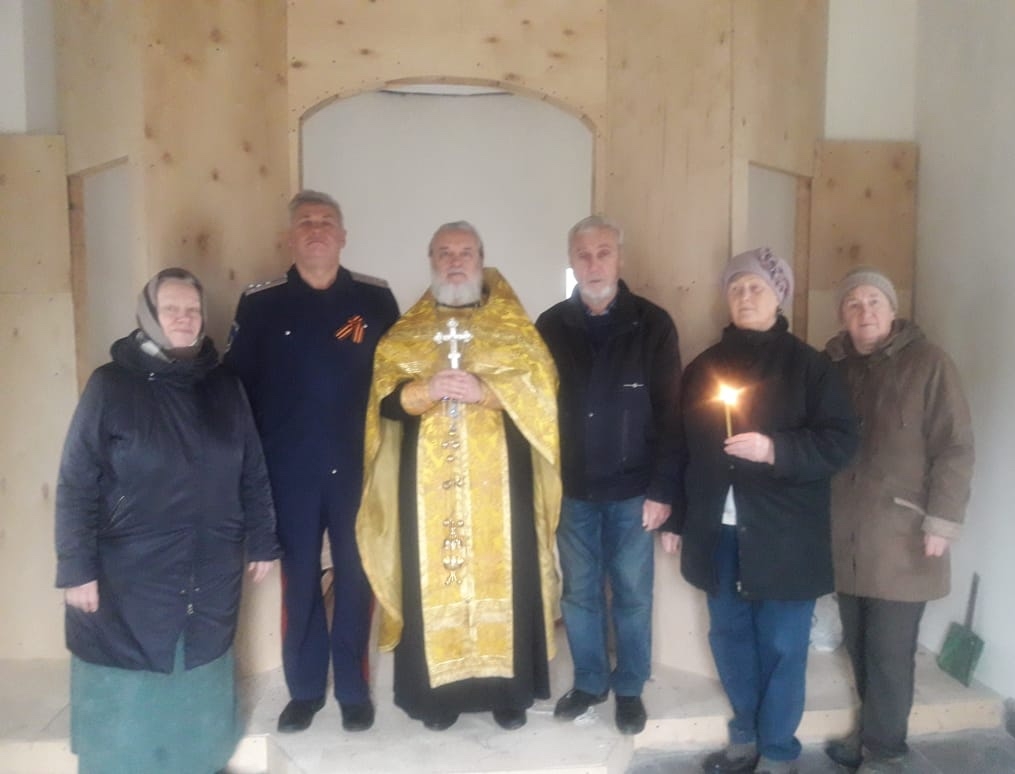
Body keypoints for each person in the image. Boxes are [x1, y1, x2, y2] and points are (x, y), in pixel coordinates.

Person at [55, 268, 280, 774]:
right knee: (128, 688)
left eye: (192, 310)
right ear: (149, 316)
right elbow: (76, 481)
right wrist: (76, 567)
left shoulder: (224, 384)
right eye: (171, 309)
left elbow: (253, 467)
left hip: (211, 561)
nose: (183, 318)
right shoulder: (111, 385)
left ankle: (199, 761)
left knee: (197, 668)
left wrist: (264, 540)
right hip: (127, 573)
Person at [356, 221, 561, 732]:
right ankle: (437, 699)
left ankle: (508, 696)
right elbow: (382, 402)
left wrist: (489, 392)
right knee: (433, 580)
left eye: (465, 252)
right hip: (427, 493)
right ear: (431, 260)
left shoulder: (515, 330)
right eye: (445, 252)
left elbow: (541, 398)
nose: (455, 261)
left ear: (481, 259)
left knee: (508, 579)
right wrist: (423, 389)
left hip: (502, 490)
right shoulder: (406, 332)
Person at [666, 248, 858, 774]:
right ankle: (745, 734)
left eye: (756, 287)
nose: (745, 297)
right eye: (736, 288)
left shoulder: (811, 366)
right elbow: (679, 448)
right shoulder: (703, 367)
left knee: (781, 643)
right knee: (728, 636)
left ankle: (777, 750)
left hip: (786, 535)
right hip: (717, 531)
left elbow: (841, 441)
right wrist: (678, 519)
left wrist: (775, 449)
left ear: (780, 296)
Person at [224, 190, 399, 733]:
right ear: (291, 236)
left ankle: (352, 688)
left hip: (357, 469)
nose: (316, 229)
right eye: (305, 222)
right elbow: (238, 390)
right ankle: (304, 690)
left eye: (326, 221)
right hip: (288, 472)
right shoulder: (261, 303)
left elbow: (397, 383)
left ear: (343, 236)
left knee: (355, 577)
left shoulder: (375, 301)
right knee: (298, 581)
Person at [823, 267, 974, 774]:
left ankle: (886, 753)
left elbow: (955, 447)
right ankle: (870, 734)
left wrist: (943, 521)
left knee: (889, 652)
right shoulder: (833, 366)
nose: (864, 312)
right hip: (845, 535)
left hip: (904, 538)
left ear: (891, 311)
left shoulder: (930, 364)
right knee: (860, 646)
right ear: (843, 315)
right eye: (853, 304)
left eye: (873, 302)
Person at [535, 215, 682, 735]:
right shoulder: (550, 326)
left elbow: (672, 414)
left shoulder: (653, 324)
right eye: (583, 255)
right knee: (578, 594)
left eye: (603, 253)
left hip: (633, 490)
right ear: (572, 261)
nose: (593, 263)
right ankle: (592, 681)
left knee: (633, 594)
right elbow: (535, 411)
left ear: (620, 258)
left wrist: (663, 490)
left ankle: (629, 688)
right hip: (572, 490)